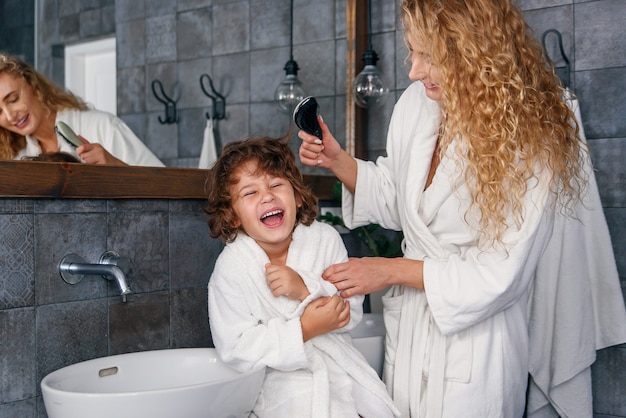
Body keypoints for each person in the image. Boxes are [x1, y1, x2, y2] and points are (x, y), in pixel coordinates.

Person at [298, 0, 626, 417]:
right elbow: (402, 203)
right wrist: (337, 160)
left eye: (430, 56)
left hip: (479, 344)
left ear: (476, 49)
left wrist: (388, 270)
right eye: (413, 51)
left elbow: (501, 273)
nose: (414, 71)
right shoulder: (416, 104)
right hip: (412, 333)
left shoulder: (531, 133)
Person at [205, 136, 400, 418]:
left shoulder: (324, 238)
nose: (267, 196)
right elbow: (236, 348)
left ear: (296, 196)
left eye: (275, 185)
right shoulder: (233, 266)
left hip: (340, 374)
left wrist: (305, 288)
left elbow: (350, 310)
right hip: (282, 389)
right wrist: (304, 329)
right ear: (233, 216)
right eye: (250, 193)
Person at [0, 53, 163, 166]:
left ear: (34, 86)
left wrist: (118, 168)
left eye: (13, 99)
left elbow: (170, 190)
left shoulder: (103, 127)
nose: (9, 116)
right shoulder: (20, 160)